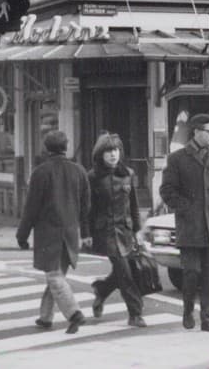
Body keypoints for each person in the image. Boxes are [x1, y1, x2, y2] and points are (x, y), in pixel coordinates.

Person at [160, 113, 209, 332]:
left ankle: (206, 317)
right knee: (191, 272)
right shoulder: (177, 159)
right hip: (189, 226)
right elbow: (166, 190)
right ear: (196, 132)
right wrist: (185, 207)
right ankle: (187, 310)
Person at [16, 129, 90, 334]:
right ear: (66, 147)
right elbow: (86, 207)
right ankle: (45, 317)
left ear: (46, 148)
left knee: (54, 276)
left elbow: (30, 208)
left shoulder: (40, 172)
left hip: (49, 234)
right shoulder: (80, 171)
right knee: (57, 276)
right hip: (71, 233)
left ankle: (75, 314)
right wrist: (86, 233)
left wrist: (22, 236)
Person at [87, 133, 146, 327]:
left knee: (126, 271)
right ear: (100, 155)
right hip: (106, 232)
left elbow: (134, 204)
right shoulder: (93, 177)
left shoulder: (128, 173)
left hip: (126, 231)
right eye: (108, 151)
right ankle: (135, 313)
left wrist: (138, 229)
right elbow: (88, 208)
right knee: (125, 273)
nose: (113, 155)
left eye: (116, 150)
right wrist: (86, 233)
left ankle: (102, 290)